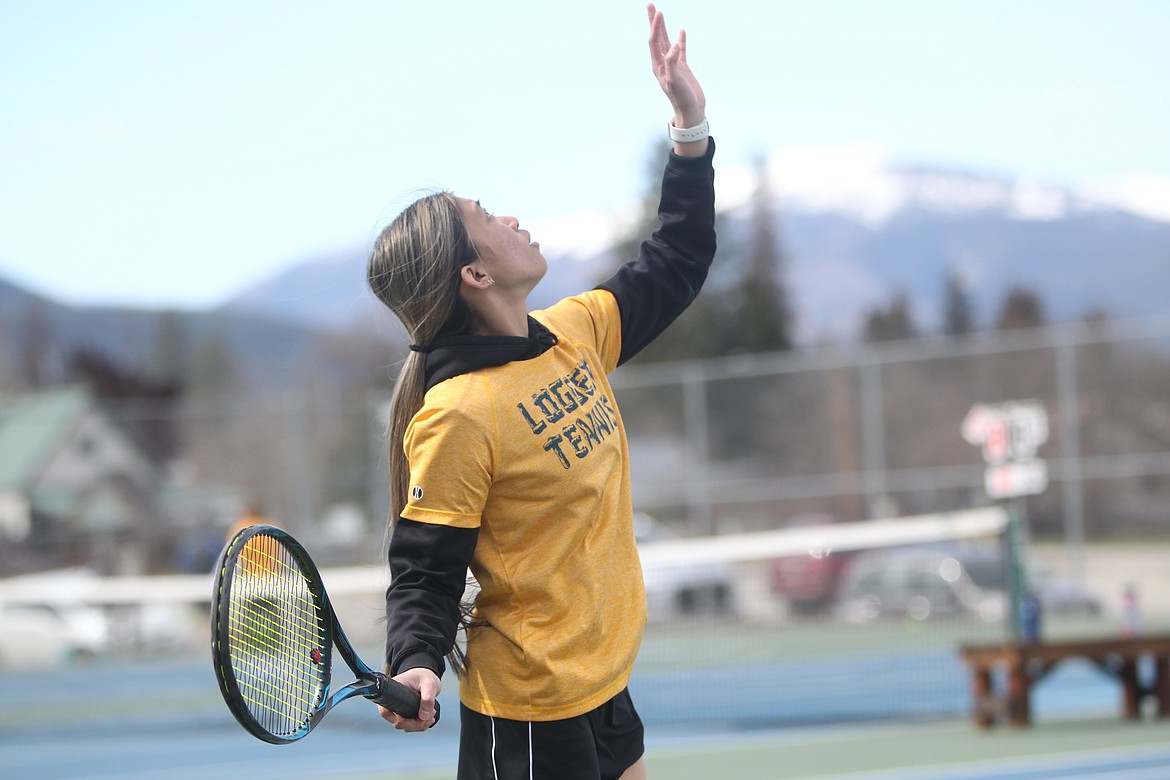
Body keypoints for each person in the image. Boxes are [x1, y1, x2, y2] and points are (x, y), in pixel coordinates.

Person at [367, 5, 714, 778]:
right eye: (487, 217)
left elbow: (680, 258)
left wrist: (688, 125)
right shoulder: (460, 414)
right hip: (529, 717)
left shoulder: (573, 333)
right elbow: (425, 568)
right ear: (476, 274)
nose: (511, 216)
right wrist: (417, 660)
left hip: (605, 686)